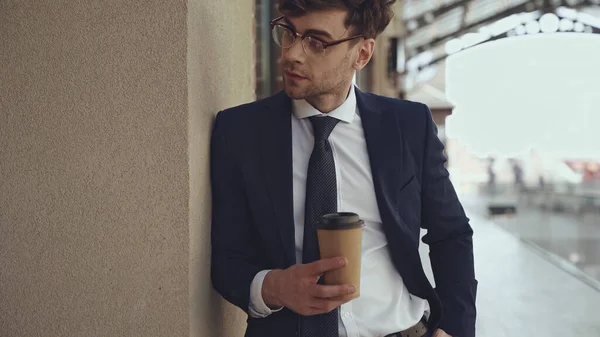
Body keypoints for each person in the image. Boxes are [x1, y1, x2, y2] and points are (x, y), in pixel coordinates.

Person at [210, 1, 477, 337]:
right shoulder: (239, 132)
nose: (292, 54)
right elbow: (225, 259)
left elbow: (450, 233)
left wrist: (454, 329)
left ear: (361, 54)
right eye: (289, 32)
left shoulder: (408, 126)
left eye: (317, 42)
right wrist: (274, 287)